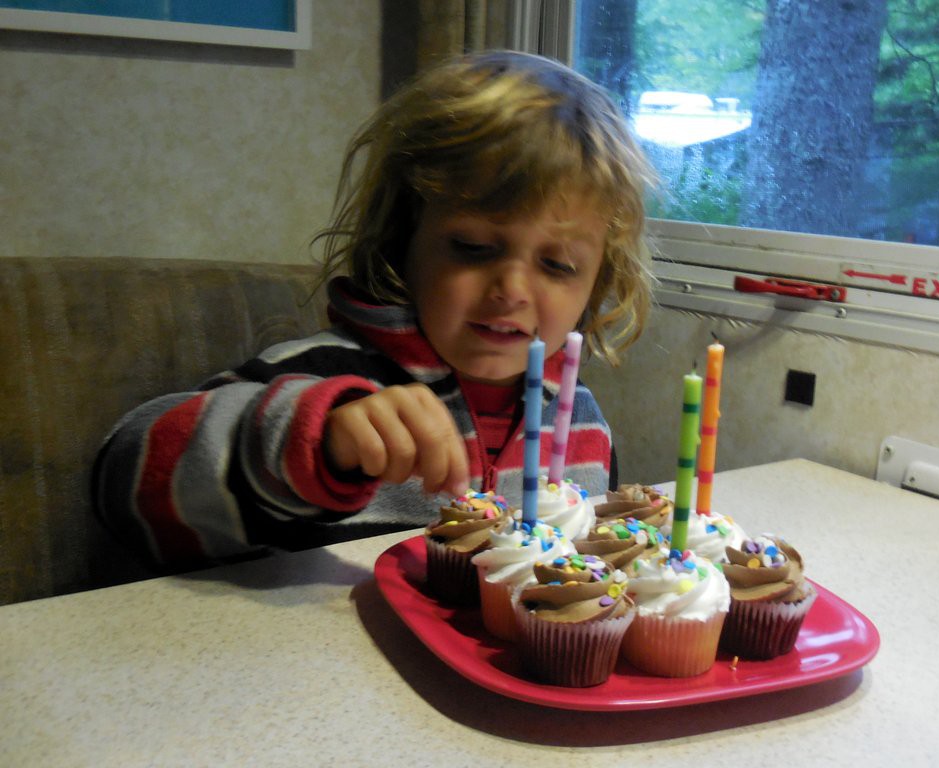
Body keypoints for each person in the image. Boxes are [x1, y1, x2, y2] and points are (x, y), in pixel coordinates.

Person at [92, 50, 654, 570]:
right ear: (402, 237)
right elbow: (123, 479)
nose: (513, 287)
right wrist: (314, 443)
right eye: (473, 248)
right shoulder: (322, 377)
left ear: (597, 283)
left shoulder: (579, 422)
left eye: (557, 265)